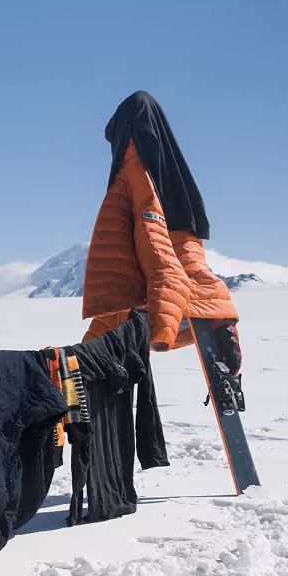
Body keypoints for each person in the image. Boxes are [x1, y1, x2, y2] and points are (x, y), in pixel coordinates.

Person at [81, 90, 241, 373]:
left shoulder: (135, 168)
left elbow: (157, 252)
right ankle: (219, 320)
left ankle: (84, 368)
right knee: (194, 278)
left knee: (127, 303)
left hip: (147, 281)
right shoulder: (171, 168)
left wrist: (163, 332)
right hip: (180, 247)